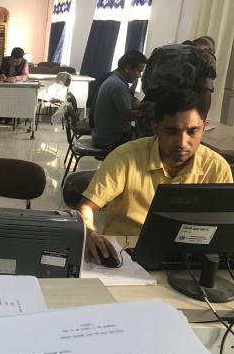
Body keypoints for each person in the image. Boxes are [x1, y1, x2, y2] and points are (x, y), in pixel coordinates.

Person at [79, 90, 232, 264]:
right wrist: (89, 232)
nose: (182, 143)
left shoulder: (216, 167)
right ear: (156, 128)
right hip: (126, 253)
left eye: (192, 131)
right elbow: (86, 206)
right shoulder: (125, 158)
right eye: (171, 131)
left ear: (204, 127)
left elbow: (226, 221)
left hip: (191, 256)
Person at [141, 37, 217, 112]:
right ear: (208, 50)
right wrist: (202, 117)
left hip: (149, 111)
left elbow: (144, 86)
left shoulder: (159, 51)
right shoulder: (205, 57)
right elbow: (205, 92)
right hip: (179, 114)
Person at [91, 51, 147, 148]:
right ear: (127, 68)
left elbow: (133, 102)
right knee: (148, 143)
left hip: (103, 136)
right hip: (110, 140)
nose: (140, 76)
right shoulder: (118, 85)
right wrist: (150, 112)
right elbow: (128, 115)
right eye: (139, 71)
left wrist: (144, 105)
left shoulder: (114, 79)